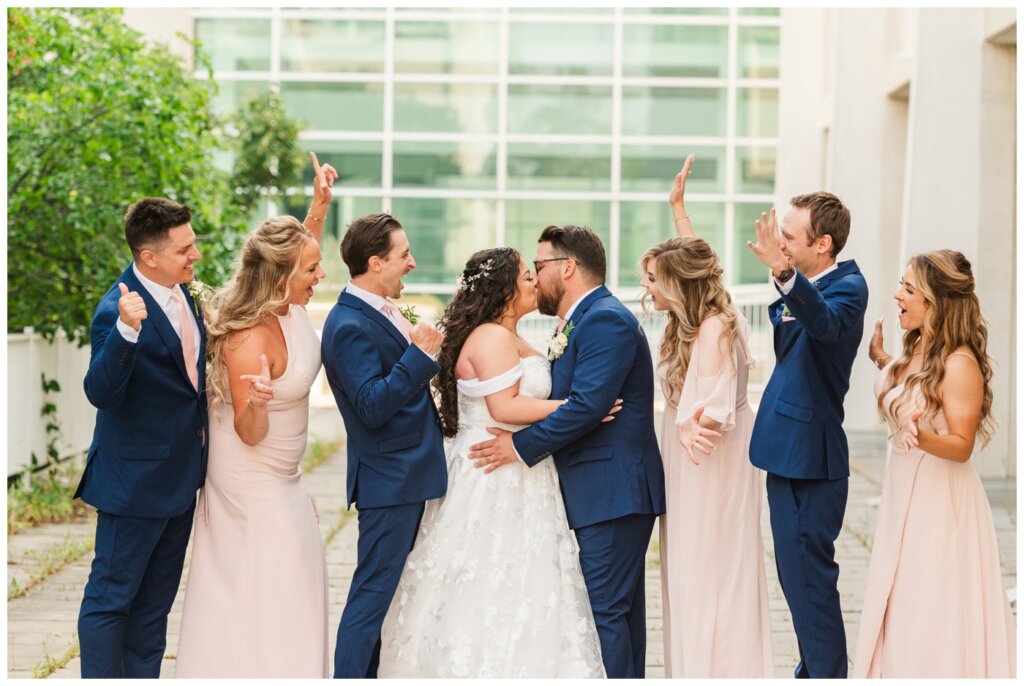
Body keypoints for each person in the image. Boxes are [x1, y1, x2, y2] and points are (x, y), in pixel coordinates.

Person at [377, 247, 610, 677]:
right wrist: (576, 407)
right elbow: (504, 407)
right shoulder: (492, 337)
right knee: (487, 580)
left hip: (518, 470)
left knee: (525, 583)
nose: (535, 282)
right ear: (504, 290)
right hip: (493, 475)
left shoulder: (507, 334)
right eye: (526, 277)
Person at [468, 225, 665, 679]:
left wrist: (517, 446)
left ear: (568, 267)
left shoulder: (605, 319)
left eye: (539, 267)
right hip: (600, 490)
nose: (535, 278)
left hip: (612, 490)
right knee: (619, 614)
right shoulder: (582, 318)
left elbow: (588, 408)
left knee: (604, 615)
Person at [174, 153, 337, 677]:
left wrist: (317, 207)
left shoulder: (286, 304)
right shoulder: (249, 339)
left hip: (285, 479)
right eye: (311, 270)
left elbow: (299, 248)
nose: (320, 274)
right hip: (250, 480)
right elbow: (247, 433)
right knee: (263, 588)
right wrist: (259, 404)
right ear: (283, 277)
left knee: (294, 583)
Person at [852, 250, 1015, 677]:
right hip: (904, 491)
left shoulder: (961, 363)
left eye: (908, 288)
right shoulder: (919, 348)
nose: (897, 295)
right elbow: (918, 391)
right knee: (902, 600)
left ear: (936, 300)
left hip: (939, 501)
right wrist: (886, 362)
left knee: (928, 605)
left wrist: (922, 437)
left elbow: (960, 444)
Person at [642, 155, 772, 677]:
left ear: (678, 284)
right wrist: (678, 209)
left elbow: (712, 413)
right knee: (689, 567)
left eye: (653, 279)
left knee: (708, 568)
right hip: (689, 458)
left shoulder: (717, 326)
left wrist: (694, 427)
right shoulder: (699, 314)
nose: (648, 287)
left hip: (708, 464)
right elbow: (697, 261)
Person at [75, 196, 206, 678]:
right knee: (111, 601)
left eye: (193, 244)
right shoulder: (117, 308)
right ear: (148, 256)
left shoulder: (184, 293)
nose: (195, 255)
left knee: (154, 611)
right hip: (132, 486)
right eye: (184, 249)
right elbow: (100, 392)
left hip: (179, 483)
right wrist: (127, 334)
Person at [745, 191, 868, 678]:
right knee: (796, 583)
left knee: (811, 585)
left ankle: (825, 675)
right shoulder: (806, 285)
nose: (781, 245)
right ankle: (813, 669)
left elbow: (823, 325)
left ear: (823, 244)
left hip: (811, 460)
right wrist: (789, 281)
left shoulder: (849, 287)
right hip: (786, 453)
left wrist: (784, 276)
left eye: (790, 238)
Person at [321, 212, 447, 678]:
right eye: (404, 255)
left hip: (406, 475)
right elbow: (372, 405)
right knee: (371, 596)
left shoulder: (381, 310)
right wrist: (419, 356)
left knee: (387, 595)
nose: (412, 263)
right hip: (390, 480)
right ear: (376, 263)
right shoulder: (348, 324)